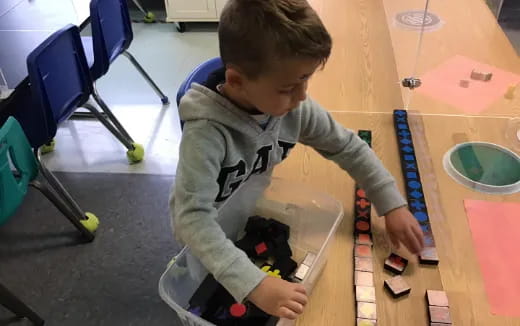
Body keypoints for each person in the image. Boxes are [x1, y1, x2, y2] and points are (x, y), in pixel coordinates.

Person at [170, 0, 424, 320]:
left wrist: (391, 204)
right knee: (206, 299)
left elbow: (348, 147)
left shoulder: (293, 106)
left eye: (306, 80)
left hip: (247, 206)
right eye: (290, 86)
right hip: (204, 228)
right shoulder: (205, 134)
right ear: (236, 82)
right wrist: (253, 284)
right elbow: (190, 221)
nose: (303, 96)